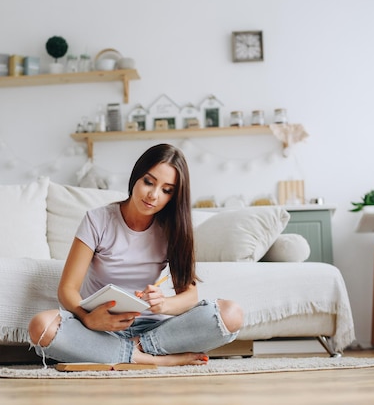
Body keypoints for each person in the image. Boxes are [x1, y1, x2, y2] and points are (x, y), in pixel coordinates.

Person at [28, 143, 243, 366]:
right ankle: (157, 360)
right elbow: (67, 289)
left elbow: (189, 295)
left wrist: (164, 305)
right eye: (149, 182)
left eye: (166, 190)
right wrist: (88, 318)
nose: (153, 195)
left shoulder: (173, 229)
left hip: (153, 330)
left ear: (173, 196)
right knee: (41, 326)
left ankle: (132, 351)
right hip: (101, 327)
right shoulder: (97, 220)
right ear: (136, 177)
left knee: (231, 314)